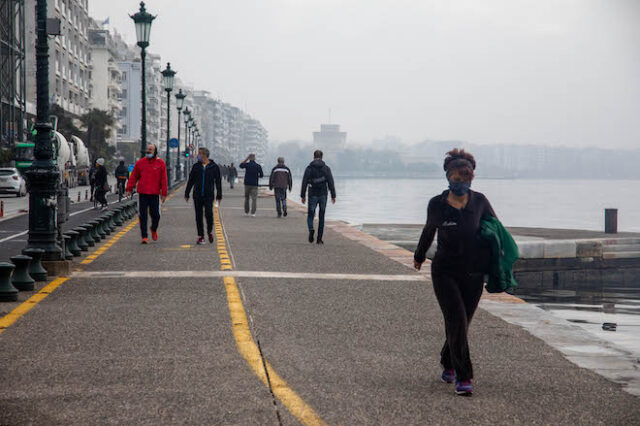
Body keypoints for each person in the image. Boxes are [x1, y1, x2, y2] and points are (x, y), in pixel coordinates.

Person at [413, 149, 496, 397]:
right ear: (448, 177)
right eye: (456, 179)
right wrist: (419, 255)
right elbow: (429, 231)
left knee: (463, 323)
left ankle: (448, 360)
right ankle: (464, 376)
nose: (461, 183)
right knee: (456, 320)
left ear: (472, 178)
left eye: (465, 179)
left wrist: (497, 264)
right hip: (444, 271)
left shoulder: (480, 202)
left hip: (473, 273)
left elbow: (495, 233)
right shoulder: (437, 204)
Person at [126, 144, 168, 244]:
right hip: (142, 193)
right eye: (147, 149)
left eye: (151, 150)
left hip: (154, 194)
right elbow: (134, 176)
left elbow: (164, 179)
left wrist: (164, 193)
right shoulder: (141, 163)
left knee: (156, 215)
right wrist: (129, 188)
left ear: (155, 152)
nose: (148, 151)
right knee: (142, 215)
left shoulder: (160, 163)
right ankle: (144, 236)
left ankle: (153, 229)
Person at [184, 147, 222, 244]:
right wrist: (187, 193)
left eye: (200, 153)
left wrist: (219, 195)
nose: (198, 155)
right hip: (197, 195)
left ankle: (209, 231)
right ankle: (201, 236)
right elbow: (191, 180)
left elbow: (218, 181)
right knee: (198, 216)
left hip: (209, 195)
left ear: (205, 155)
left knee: (209, 214)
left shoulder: (214, 167)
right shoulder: (196, 166)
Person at [300, 150, 336, 244]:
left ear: (313, 157)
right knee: (321, 216)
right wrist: (333, 195)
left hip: (312, 194)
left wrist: (303, 195)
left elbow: (304, 182)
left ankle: (311, 228)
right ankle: (319, 239)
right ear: (322, 157)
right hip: (323, 194)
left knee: (311, 214)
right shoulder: (326, 168)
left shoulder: (309, 168)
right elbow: (330, 182)